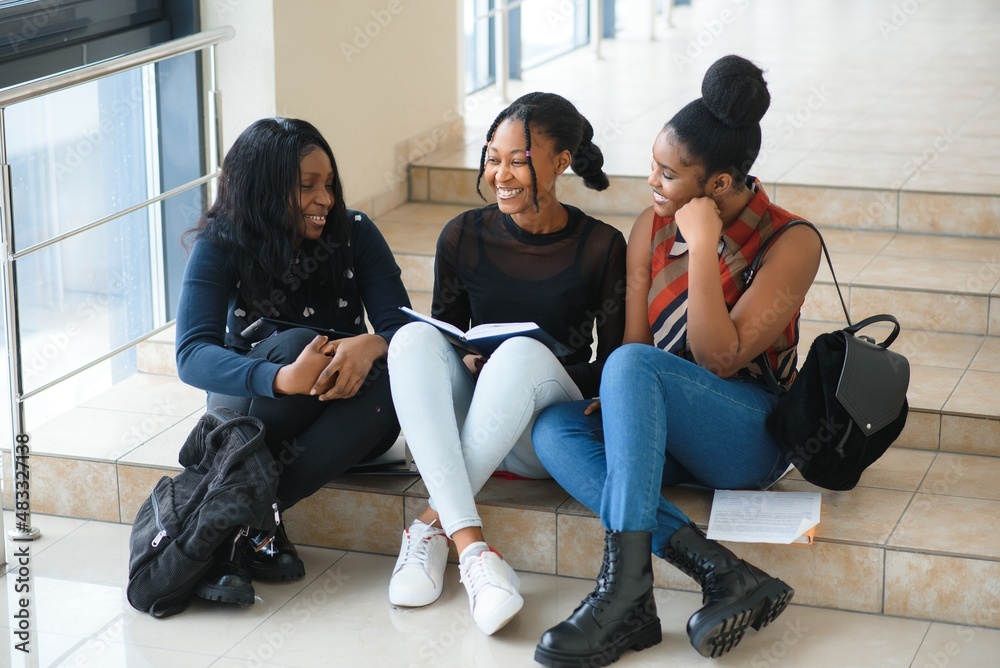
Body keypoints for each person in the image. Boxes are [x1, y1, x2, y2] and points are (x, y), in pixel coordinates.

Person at [531, 55, 823, 666]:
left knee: (633, 368)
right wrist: (615, 405)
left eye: (668, 176)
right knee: (556, 428)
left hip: (748, 432)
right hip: (663, 428)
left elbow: (719, 357)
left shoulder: (790, 241)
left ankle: (623, 595)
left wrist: (700, 246)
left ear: (717, 184)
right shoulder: (649, 226)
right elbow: (632, 347)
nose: (653, 185)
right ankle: (720, 570)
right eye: (653, 168)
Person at [386, 92, 627, 635]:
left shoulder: (600, 245)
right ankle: (473, 553)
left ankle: (429, 526)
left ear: (560, 161)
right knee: (411, 342)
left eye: (518, 159)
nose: (501, 174)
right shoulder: (462, 236)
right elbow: (446, 339)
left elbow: (611, 366)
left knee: (519, 354)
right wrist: (468, 357)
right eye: (494, 158)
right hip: (479, 423)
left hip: (542, 425)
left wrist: (523, 362)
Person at [175, 117, 411, 603]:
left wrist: (372, 343)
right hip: (253, 411)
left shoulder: (355, 233)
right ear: (264, 189)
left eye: (328, 184)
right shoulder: (222, 241)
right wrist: (280, 377)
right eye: (307, 187)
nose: (325, 198)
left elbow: (404, 328)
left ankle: (234, 522)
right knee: (295, 341)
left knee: (393, 375)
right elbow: (192, 354)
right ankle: (253, 529)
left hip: (345, 418)